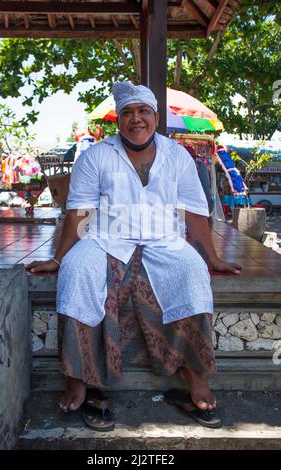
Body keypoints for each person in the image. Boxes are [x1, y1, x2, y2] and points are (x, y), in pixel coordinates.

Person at [27, 82, 242, 430]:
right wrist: (59, 257)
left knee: (192, 273)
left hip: (164, 240)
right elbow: (79, 212)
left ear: (156, 117)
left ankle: (196, 378)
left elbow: (194, 213)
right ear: (119, 120)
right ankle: (80, 380)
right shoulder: (96, 155)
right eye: (128, 112)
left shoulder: (177, 157)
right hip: (104, 239)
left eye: (143, 111)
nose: (136, 119)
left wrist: (212, 259)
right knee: (77, 272)